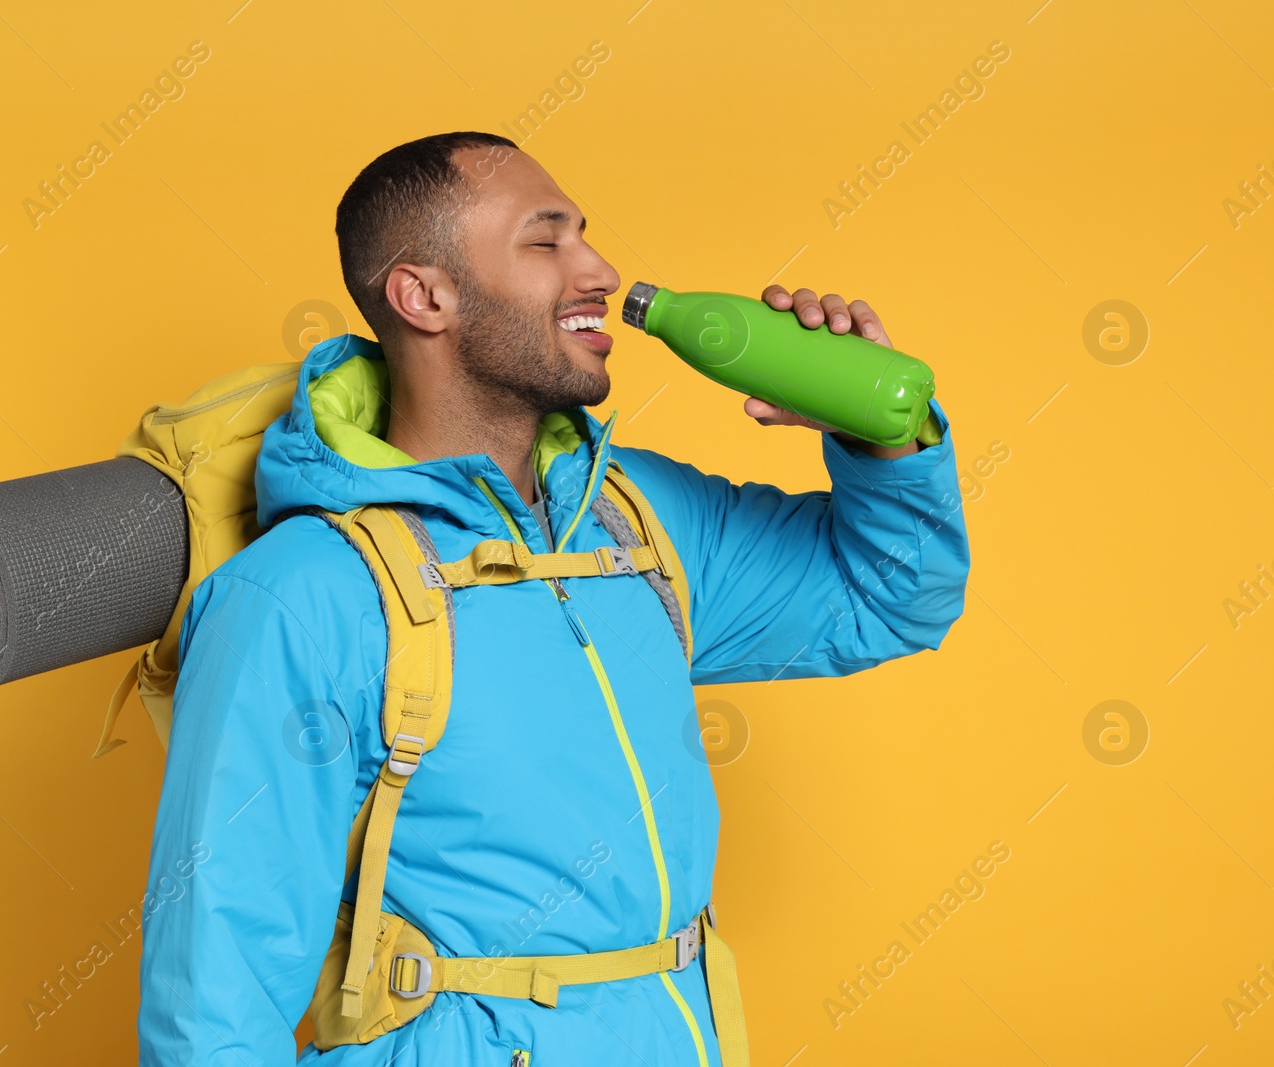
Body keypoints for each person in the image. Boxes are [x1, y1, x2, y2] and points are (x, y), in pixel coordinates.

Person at [137, 130, 970, 1065]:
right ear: (424, 295)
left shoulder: (638, 523)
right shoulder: (304, 593)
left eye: (585, 236)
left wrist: (881, 440)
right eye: (547, 242)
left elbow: (892, 595)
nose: (600, 269)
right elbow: (218, 997)